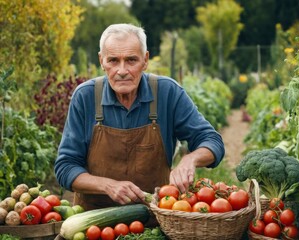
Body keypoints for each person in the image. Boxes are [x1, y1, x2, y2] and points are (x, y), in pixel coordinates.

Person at [54, 23, 225, 211]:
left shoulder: (167, 92)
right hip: (95, 221)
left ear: (145, 60)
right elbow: (66, 167)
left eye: (131, 60)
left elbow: (212, 141)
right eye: (113, 60)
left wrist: (189, 160)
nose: (121, 71)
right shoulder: (85, 97)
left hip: (156, 215)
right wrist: (108, 186)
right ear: (101, 61)